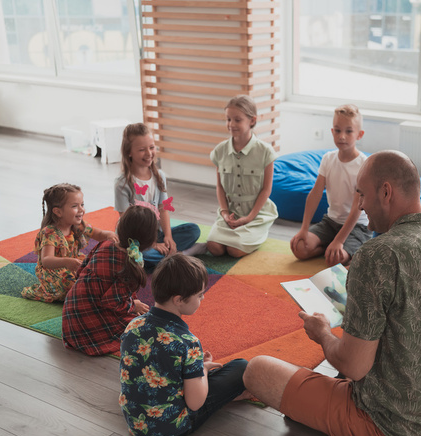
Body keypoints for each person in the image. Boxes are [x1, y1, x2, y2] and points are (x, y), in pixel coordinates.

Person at [243, 151, 421, 436]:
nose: (361, 204)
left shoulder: (377, 254)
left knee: (256, 370)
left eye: (362, 194)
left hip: (388, 427)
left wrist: (322, 332)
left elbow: (353, 367)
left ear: (386, 192)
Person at [119, 253, 250, 436]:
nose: (202, 299)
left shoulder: (133, 325)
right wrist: (202, 370)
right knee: (240, 367)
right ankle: (230, 392)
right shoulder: (188, 341)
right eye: (199, 295)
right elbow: (195, 403)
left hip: (135, 424)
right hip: (173, 428)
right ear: (179, 300)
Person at [62, 205, 157, 356]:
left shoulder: (106, 244)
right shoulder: (130, 266)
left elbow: (80, 271)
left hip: (70, 318)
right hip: (88, 331)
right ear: (151, 240)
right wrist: (133, 305)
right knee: (150, 327)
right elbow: (112, 302)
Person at [290, 104, 371, 266]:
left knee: (336, 260)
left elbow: (357, 207)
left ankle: (340, 249)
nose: (342, 136)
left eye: (349, 131)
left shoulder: (363, 164)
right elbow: (315, 194)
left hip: (357, 226)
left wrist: (339, 241)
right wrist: (304, 229)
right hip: (330, 222)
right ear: (332, 132)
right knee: (299, 248)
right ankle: (328, 248)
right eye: (338, 130)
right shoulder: (328, 159)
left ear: (359, 135)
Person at [114, 123, 201, 269]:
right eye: (142, 150)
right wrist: (153, 245)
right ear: (129, 152)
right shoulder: (122, 184)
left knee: (193, 230)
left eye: (152, 147)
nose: (149, 153)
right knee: (136, 256)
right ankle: (181, 254)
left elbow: (163, 208)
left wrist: (168, 236)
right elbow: (125, 224)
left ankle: (170, 256)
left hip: (156, 233)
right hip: (135, 240)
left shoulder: (159, 176)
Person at [206, 95, 279, 257]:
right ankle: (233, 232)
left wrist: (249, 218)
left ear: (252, 121)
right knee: (214, 247)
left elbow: (266, 190)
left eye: (237, 120)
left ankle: (259, 231)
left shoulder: (265, 152)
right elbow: (220, 187)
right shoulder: (219, 151)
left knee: (234, 250)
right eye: (228, 119)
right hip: (230, 213)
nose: (231, 124)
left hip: (256, 214)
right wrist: (225, 213)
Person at [22, 183, 117, 302]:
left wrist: (108, 235)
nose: (82, 209)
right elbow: (46, 260)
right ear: (58, 212)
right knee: (78, 286)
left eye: (82, 205)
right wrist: (66, 262)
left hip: (73, 263)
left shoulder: (77, 225)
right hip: (54, 272)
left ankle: (97, 292)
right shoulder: (50, 232)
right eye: (75, 206)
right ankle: (97, 296)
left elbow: (98, 234)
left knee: (98, 271)